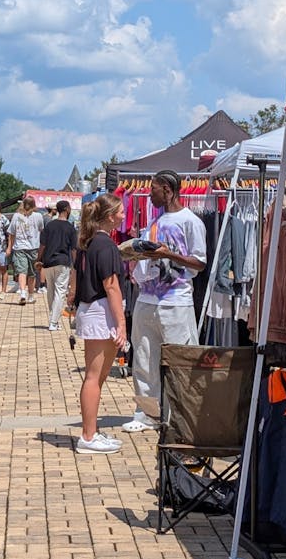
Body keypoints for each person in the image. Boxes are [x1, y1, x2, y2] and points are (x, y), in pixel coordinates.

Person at [123, 170, 207, 433]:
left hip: (176, 302)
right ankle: (147, 414)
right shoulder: (154, 222)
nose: (149, 194)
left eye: (154, 189)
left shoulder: (191, 221)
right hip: (147, 299)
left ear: (167, 190)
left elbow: (199, 263)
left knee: (180, 360)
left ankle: (181, 415)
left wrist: (169, 255)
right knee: (144, 360)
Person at [69, 194, 126, 454]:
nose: (124, 216)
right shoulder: (105, 245)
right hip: (100, 311)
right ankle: (88, 436)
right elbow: (111, 286)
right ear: (110, 216)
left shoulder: (89, 242)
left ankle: (91, 432)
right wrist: (121, 323)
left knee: (97, 376)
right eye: (121, 212)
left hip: (91, 309)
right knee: (94, 377)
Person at [36, 200, 77, 331]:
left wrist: (38, 259)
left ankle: (53, 319)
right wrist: (75, 264)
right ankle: (53, 321)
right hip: (63, 262)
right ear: (67, 209)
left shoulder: (49, 226)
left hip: (48, 262)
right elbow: (74, 249)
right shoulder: (70, 228)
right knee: (60, 291)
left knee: (51, 291)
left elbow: (42, 245)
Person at [6, 196, 43, 305]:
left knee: (23, 271)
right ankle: (29, 295)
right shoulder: (38, 216)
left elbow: (11, 234)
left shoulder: (16, 216)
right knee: (31, 273)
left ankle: (24, 293)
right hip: (32, 248)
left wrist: (9, 247)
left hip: (21, 247)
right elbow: (41, 230)